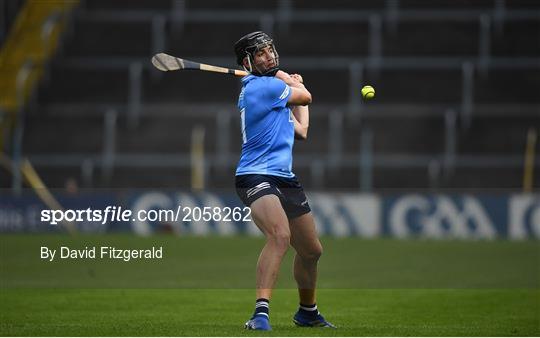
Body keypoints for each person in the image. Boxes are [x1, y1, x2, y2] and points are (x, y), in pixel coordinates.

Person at [233, 31, 335, 331]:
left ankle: (307, 311)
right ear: (247, 62)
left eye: (270, 50)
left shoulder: (274, 94)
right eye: (261, 53)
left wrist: (294, 85)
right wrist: (292, 82)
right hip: (255, 175)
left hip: (284, 178)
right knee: (279, 236)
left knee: (312, 251)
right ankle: (260, 314)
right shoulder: (260, 88)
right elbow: (306, 97)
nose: (269, 56)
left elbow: (301, 129)